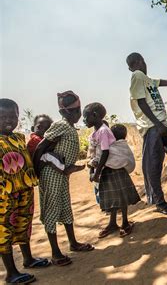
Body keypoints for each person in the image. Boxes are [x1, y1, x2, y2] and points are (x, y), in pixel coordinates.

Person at [33, 91, 92, 267]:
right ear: (63, 112)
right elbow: (41, 148)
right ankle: (55, 252)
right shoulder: (60, 125)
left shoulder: (69, 126)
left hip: (61, 175)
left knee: (66, 208)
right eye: (74, 111)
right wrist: (36, 173)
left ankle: (73, 243)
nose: (77, 114)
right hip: (51, 175)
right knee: (52, 210)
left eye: (78, 111)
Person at [127, 49, 167, 214]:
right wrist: (156, 123)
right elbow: (141, 102)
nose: (144, 64)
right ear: (138, 63)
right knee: (153, 165)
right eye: (142, 61)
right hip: (152, 126)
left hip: (162, 125)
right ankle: (159, 202)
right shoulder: (137, 75)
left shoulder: (148, 80)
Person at [0, 99, 51, 284]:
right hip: (4, 195)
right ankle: (11, 272)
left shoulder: (19, 138)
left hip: (25, 190)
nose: (8, 120)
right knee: (4, 231)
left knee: (24, 225)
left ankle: (28, 259)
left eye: (12, 116)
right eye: (2, 116)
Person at [83, 103, 140, 239]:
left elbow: (105, 152)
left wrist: (97, 172)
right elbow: (95, 153)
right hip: (107, 169)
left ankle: (125, 222)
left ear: (95, 115)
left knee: (121, 197)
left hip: (114, 169)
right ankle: (112, 223)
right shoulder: (96, 132)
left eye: (86, 117)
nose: (84, 120)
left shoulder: (103, 131)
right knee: (112, 198)